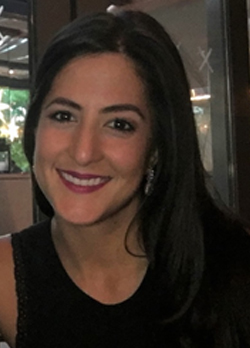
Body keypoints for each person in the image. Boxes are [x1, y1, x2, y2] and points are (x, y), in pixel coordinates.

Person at [0, 9, 250, 348]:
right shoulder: (5, 277)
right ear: (34, 129)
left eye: (119, 124)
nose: (84, 151)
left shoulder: (231, 270)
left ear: (157, 148)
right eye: (63, 115)